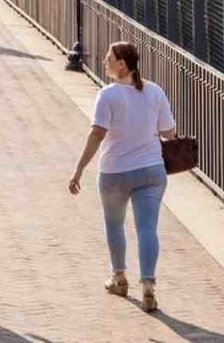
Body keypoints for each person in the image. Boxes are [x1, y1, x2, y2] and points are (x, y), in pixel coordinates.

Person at [66, 40, 177, 313]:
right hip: (151, 170)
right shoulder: (155, 92)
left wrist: (79, 167)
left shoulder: (108, 95)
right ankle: (148, 286)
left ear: (122, 65)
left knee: (114, 225)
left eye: (109, 58)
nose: (105, 61)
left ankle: (119, 277)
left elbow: (97, 134)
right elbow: (169, 134)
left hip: (115, 171)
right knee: (147, 228)